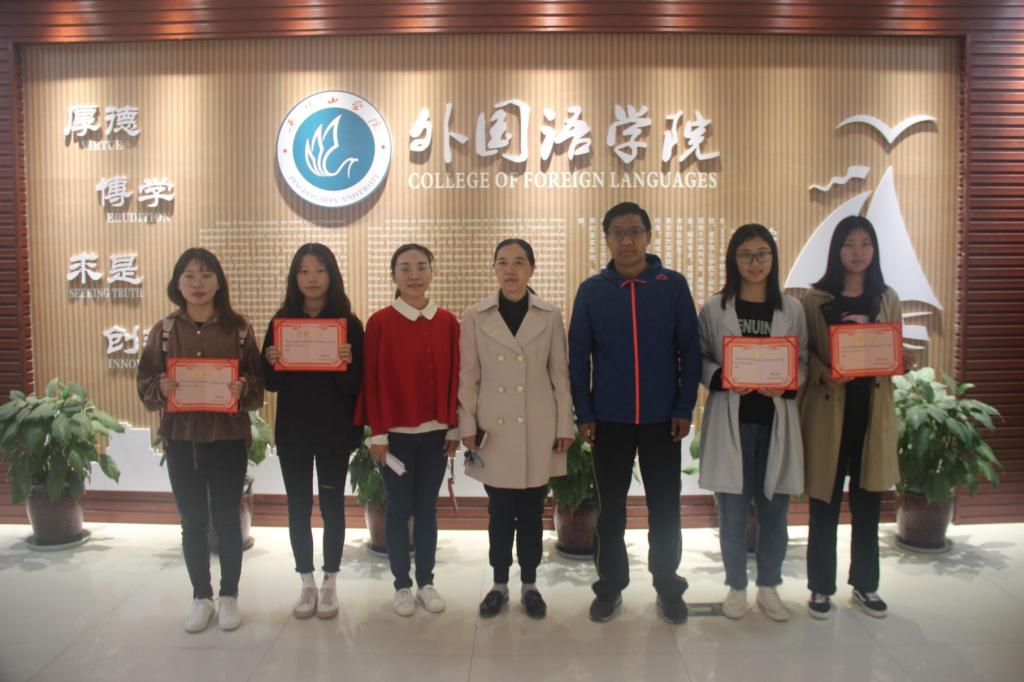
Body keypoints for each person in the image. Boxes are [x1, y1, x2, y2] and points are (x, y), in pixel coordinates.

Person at [568, 201, 701, 624]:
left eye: (635, 232)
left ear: (648, 236)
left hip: (663, 419)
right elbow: (578, 358)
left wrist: (684, 406)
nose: (627, 240)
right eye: (618, 233)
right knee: (611, 509)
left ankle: (668, 584)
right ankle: (609, 587)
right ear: (606, 239)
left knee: (666, 506)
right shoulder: (592, 291)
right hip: (609, 420)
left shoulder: (671, 285)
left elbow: (690, 350)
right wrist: (585, 413)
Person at [136, 247, 264, 633]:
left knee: (227, 520)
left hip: (227, 439)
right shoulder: (164, 331)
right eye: (189, 276)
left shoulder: (239, 330)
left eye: (206, 275)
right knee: (192, 522)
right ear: (177, 283)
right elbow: (145, 384)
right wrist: (160, 387)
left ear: (218, 282)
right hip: (182, 441)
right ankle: (201, 597)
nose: (197, 283)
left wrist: (243, 387)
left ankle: (229, 597)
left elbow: (258, 387)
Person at [458, 238, 574, 620]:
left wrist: (564, 425)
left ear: (531, 269)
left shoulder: (550, 315)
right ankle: (498, 585)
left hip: (538, 427)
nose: (510, 270)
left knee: (532, 511)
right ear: (494, 268)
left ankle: (530, 585)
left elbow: (560, 376)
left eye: (519, 262)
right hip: (495, 430)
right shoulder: (475, 315)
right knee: (499, 512)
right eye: (503, 262)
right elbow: (468, 377)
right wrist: (467, 423)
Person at [697, 224, 808, 622]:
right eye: (745, 255)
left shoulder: (791, 309)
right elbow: (701, 358)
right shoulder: (715, 308)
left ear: (773, 259)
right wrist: (722, 377)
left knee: (775, 511)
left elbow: (803, 362)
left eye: (762, 254)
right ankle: (736, 587)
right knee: (731, 512)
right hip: (733, 420)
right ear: (734, 260)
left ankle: (769, 587)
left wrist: (788, 383)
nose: (755, 263)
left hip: (775, 420)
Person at [800, 215, 903, 620]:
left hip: (871, 415)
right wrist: (822, 370)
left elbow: (892, 348)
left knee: (868, 505)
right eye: (849, 244)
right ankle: (820, 587)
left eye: (865, 244)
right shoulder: (814, 299)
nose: (857, 252)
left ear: (874, 250)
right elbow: (805, 352)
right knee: (823, 504)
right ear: (836, 250)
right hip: (829, 415)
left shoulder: (887, 297)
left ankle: (865, 584)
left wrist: (900, 360)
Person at [262, 243, 364, 620]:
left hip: (335, 431)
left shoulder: (349, 324)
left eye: (319, 270)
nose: (312, 279)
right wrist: (271, 360)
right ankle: (306, 581)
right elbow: (270, 383)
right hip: (294, 432)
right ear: (295, 277)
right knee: (298, 506)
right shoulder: (282, 321)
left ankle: (330, 580)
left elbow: (356, 385)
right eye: (304, 271)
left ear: (331, 275)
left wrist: (348, 362)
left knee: (333, 506)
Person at [360, 243, 460, 617]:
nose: (414, 275)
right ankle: (402, 584)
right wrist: (378, 433)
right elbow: (371, 379)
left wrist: (453, 427)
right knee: (398, 509)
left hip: (436, 434)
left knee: (427, 509)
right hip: (395, 436)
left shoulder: (447, 322)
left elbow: (456, 377)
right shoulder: (380, 322)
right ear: (394, 276)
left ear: (432, 272)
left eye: (421, 267)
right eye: (405, 268)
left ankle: (427, 582)